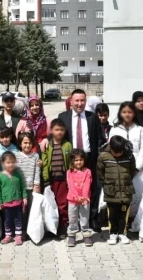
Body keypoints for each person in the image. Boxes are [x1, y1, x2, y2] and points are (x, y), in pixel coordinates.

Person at [57, 89, 105, 229]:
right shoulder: (63, 117)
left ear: (86, 101)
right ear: (71, 101)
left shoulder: (92, 117)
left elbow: (99, 137)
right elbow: (57, 135)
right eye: (76, 100)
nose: (79, 103)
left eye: (82, 100)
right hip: (72, 159)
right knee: (72, 188)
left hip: (90, 158)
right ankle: (73, 220)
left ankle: (92, 218)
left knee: (92, 187)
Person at [97, 135, 137, 245]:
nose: (118, 154)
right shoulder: (103, 156)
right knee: (112, 214)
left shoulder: (129, 156)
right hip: (111, 191)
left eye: (120, 152)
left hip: (126, 190)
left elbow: (132, 170)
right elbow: (100, 173)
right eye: (116, 152)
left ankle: (123, 233)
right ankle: (113, 233)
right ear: (110, 147)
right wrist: (106, 184)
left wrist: (126, 181)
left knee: (124, 214)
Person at [42, 119, 73, 237]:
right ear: (51, 131)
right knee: (50, 204)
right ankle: (51, 227)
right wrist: (45, 179)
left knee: (62, 204)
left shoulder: (67, 145)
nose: (59, 132)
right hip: (51, 179)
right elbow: (45, 163)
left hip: (63, 180)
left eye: (61, 130)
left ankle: (62, 227)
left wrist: (70, 178)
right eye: (56, 129)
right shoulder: (47, 145)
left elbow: (70, 162)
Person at [0, 152, 27, 245]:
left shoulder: (17, 174)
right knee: (7, 220)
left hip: (17, 202)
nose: (11, 164)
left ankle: (18, 236)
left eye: (13, 162)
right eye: (8, 162)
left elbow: (22, 186)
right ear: (3, 163)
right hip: (6, 204)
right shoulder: (0, 176)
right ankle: (8, 235)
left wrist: (24, 197)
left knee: (18, 219)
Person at [109, 102, 143, 172]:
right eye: (124, 112)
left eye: (129, 112)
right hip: (119, 169)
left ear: (134, 114)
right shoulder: (114, 129)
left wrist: (137, 167)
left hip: (137, 169)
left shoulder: (140, 129)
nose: (127, 115)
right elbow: (111, 148)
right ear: (120, 114)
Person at [15, 132, 41, 238]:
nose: (27, 145)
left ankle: (32, 231)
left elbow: (37, 171)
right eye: (25, 143)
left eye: (30, 143)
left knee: (32, 210)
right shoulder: (16, 156)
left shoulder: (35, 156)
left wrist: (36, 184)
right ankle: (23, 231)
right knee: (22, 211)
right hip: (20, 189)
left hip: (31, 188)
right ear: (20, 144)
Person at [66, 149, 93, 247]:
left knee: (84, 218)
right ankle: (72, 235)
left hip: (85, 200)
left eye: (81, 160)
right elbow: (71, 185)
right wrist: (77, 197)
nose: (78, 162)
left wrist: (84, 197)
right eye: (76, 160)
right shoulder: (69, 172)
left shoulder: (87, 172)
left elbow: (87, 184)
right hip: (72, 200)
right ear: (72, 161)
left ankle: (86, 234)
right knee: (72, 218)